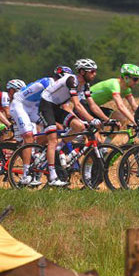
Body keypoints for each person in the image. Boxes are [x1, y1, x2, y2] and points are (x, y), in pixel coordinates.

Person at [39, 59, 101, 187]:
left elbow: (92, 105)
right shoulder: (72, 80)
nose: (94, 74)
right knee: (52, 139)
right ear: (82, 72)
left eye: (95, 71)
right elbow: (77, 105)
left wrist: (106, 120)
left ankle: (59, 148)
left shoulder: (85, 85)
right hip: (46, 106)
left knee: (79, 126)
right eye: (92, 72)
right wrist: (91, 120)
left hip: (57, 107)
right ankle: (52, 176)